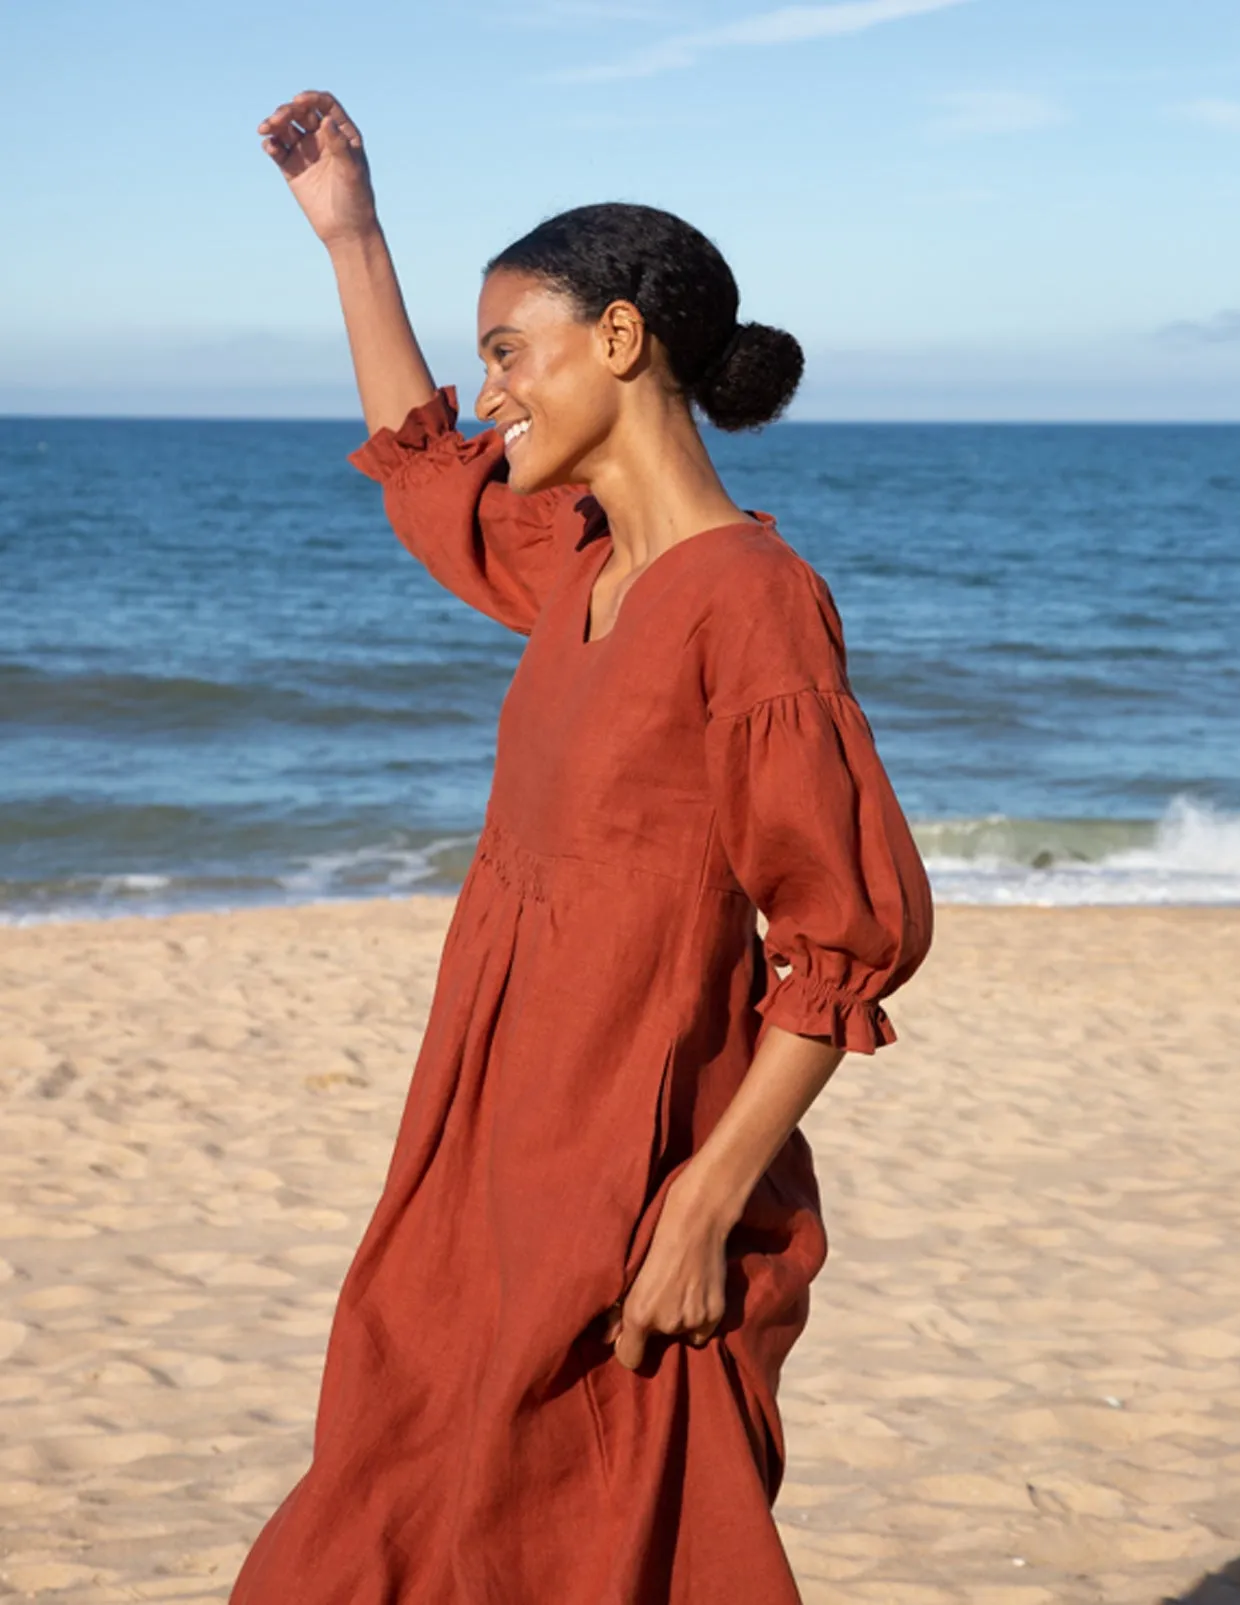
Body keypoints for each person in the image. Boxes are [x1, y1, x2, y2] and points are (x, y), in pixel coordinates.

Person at [231, 89, 933, 1605]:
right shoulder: (582, 565)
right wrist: (353, 235)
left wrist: (697, 1207)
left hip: (629, 1160)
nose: (489, 394)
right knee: (392, 1495)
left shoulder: (750, 605)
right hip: (483, 1140)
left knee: (597, 1532)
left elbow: (842, 947)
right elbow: (425, 480)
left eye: (509, 351)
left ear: (620, 342)